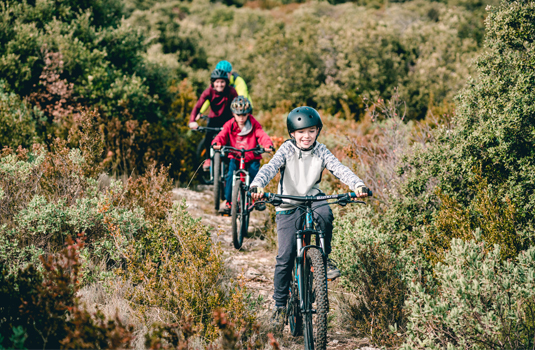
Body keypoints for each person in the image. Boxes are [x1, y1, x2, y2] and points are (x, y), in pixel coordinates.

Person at [249, 106, 369, 331]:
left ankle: (324, 260)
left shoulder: (321, 151)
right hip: (287, 202)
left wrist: (358, 184)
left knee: (325, 213)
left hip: (313, 198)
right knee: (284, 257)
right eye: (301, 132)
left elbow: (339, 168)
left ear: (318, 132)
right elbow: (269, 167)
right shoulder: (286, 149)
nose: (307, 136)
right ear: (292, 133)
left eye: (312, 131)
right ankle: (280, 305)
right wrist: (257, 184)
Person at [212, 96, 274, 215]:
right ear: (233, 114)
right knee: (230, 176)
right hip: (235, 156)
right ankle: (229, 202)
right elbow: (222, 135)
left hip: (252, 157)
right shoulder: (229, 124)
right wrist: (217, 143)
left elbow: (261, 134)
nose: (241, 118)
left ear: (248, 114)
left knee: (255, 175)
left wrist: (268, 145)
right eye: (238, 115)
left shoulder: (254, 123)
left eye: (244, 115)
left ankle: (257, 198)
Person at [189, 69, 238, 170]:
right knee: (208, 137)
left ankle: (230, 164)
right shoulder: (208, 92)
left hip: (228, 121)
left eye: (222, 82)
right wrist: (192, 121)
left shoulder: (231, 91)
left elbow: (237, 107)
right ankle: (208, 159)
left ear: (226, 82)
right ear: (213, 83)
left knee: (230, 141)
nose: (219, 84)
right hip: (213, 120)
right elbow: (197, 107)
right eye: (217, 82)